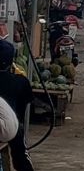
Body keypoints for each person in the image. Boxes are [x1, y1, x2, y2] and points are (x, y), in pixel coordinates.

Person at [0, 39, 35, 170]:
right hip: (14, 127)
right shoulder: (21, 81)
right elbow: (25, 106)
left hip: (8, 126)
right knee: (21, 155)